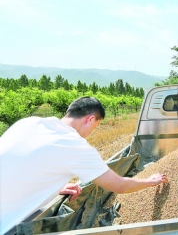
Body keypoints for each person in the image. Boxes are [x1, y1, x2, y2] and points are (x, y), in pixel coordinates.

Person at [0, 96, 168, 234]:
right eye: (95, 127)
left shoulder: (28, 123)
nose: (91, 133)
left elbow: (22, 163)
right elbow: (119, 185)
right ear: (90, 119)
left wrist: (55, 188)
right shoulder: (75, 146)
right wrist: (151, 181)